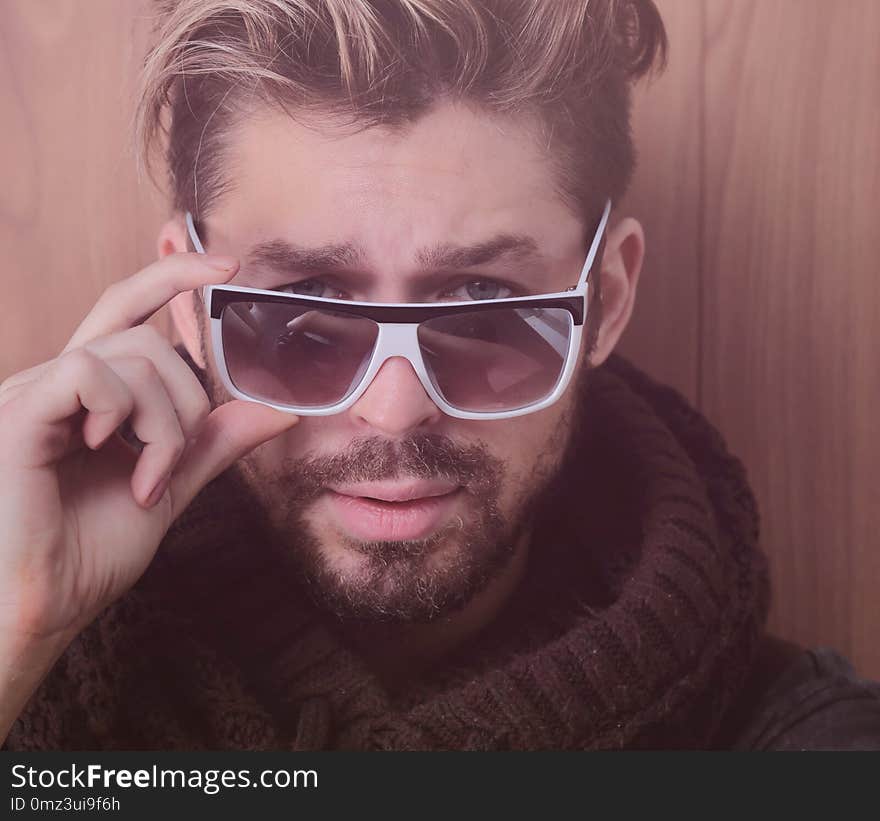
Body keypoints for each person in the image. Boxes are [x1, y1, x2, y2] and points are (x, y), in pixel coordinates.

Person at [1, 0, 878, 751]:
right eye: (305, 306)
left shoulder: (803, 740)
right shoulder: (36, 669)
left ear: (605, 300)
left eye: (482, 299)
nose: (395, 409)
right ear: (192, 312)